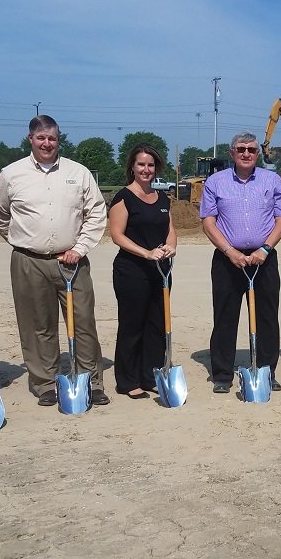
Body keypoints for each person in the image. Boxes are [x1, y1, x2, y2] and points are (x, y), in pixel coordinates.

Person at [0, 115, 109, 407]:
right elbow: (0, 215)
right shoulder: (11, 174)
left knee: (82, 323)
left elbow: (96, 213)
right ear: (30, 139)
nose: (47, 143)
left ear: (59, 140)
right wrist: (26, 242)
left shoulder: (79, 173)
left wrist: (79, 248)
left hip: (73, 261)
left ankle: (91, 382)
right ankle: (45, 383)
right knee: (38, 326)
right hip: (29, 263)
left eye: (52, 138)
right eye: (41, 138)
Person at [199, 132, 281, 394]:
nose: (246, 154)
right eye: (241, 149)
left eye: (251, 149)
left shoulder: (271, 180)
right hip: (228, 259)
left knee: (267, 317)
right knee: (225, 317)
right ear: (232, 153)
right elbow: (208, 222)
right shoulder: (216, 182)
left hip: (264, 258)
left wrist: (265, 248)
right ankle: (223, 375)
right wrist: (229, 251)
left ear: (258, 153)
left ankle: (265, 371)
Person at [108, 144, 177, 399]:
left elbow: (170, 229)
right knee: (132, 325)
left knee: (157, 325)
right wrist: (146, 253)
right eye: (141, 165)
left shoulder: (162, 199)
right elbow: (116, 235)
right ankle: (127, 380)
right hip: (132, 271)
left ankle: (151, 375)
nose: (146, 170)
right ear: (132, 168)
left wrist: (171, 247)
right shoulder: (123, 197)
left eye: (150, 165)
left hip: (160, 272)